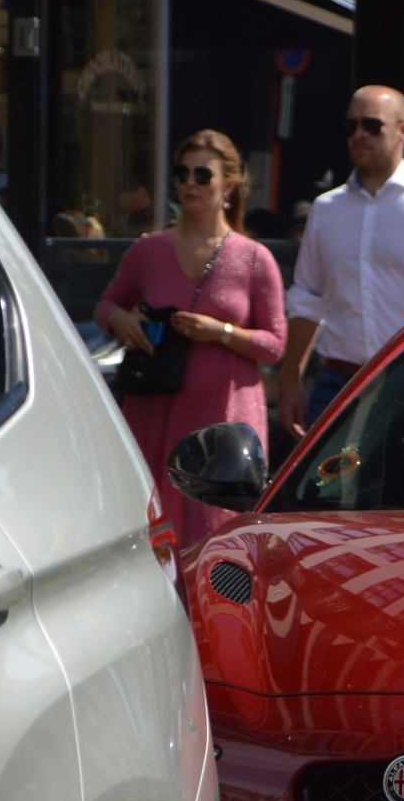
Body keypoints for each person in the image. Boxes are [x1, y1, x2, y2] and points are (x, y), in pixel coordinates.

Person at [95, 128, 286, 548]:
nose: (189, 184)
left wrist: (222, 332)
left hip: (224, 419)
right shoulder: (149, 251)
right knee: (150, 536)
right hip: (156, 409)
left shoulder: (254, 259)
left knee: (217, 540)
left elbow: (275, 343)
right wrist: (120, 319)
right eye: (182, 174)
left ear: (229, 185)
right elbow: (105, 305)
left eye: (203, 175)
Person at [278, 85, 404, 440]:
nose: (358, 135)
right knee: (326, 494)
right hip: (336, 383)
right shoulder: (326, 209)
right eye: (350, 126)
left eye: (371, 125)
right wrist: (291, 380)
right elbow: (307, 298)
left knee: (400, 494)